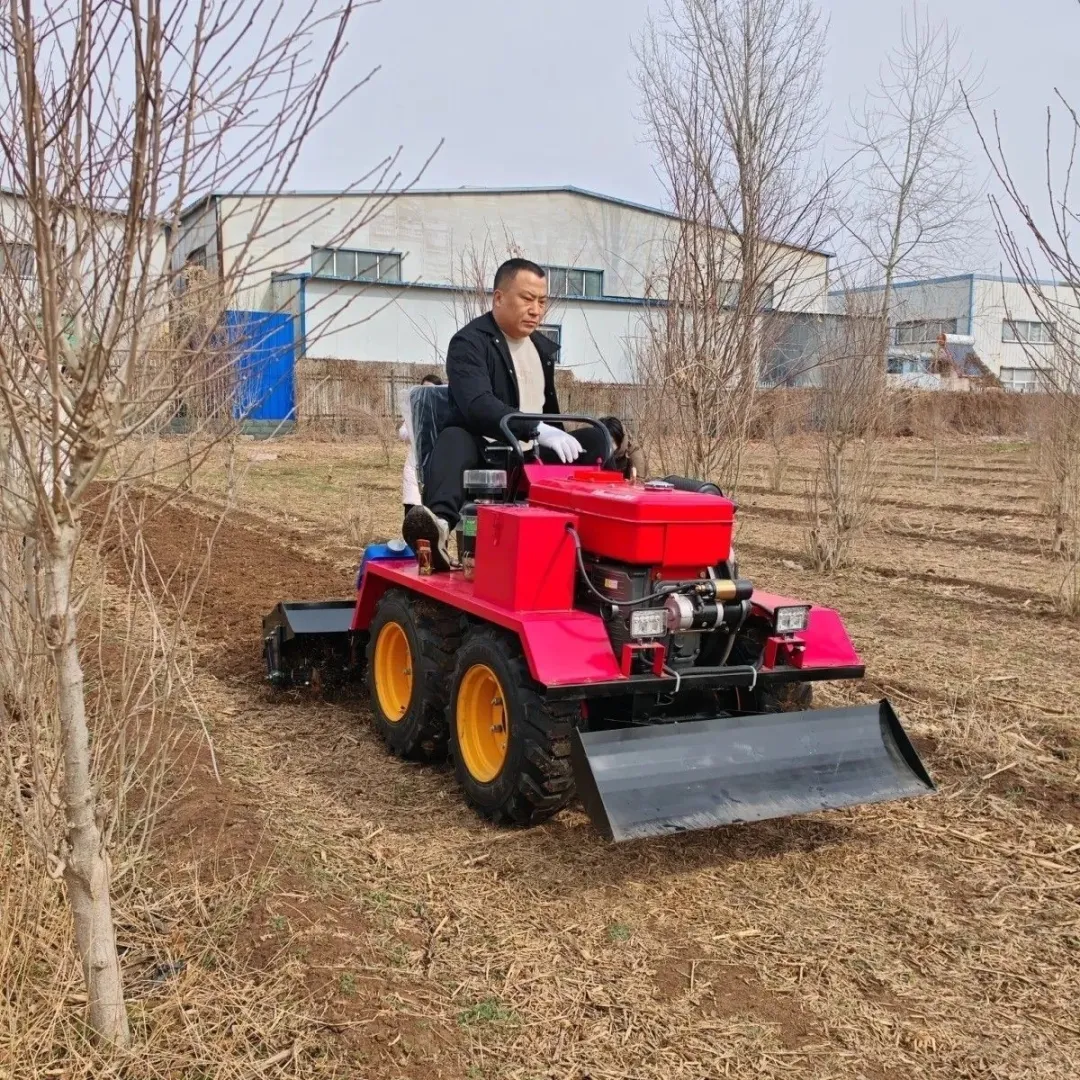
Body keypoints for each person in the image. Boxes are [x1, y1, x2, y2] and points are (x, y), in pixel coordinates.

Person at [403, 258, 610, 570]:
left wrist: (557, 433)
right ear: (499, 298)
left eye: (542, 301)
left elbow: (547, 411)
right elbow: (477, 404)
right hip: (488, 454)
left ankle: (599, 533)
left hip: (533, 460)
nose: (536, 310)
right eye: (527, 299)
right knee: (455, 437)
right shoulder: (469, 343)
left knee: (597, 436)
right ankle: (440, 525)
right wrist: (536, 428)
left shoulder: (542, 349)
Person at [399, 372, 443, 531]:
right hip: (413, 467)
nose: (426, 395)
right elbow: (402, 433)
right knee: (412, 512)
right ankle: (411, 548)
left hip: (436, 468)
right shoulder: (413, 411)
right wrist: (416, 429)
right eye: (423, 390)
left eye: (430, 390)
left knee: (434, 515)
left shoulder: (443, 413)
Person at [600, 415, 647, 481]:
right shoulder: (594, 446)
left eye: (611, 442)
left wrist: (631, 484)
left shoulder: (633, 450)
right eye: (604, 441)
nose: (607, 446)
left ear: (618, 439)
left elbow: (639, 481)